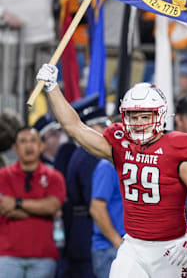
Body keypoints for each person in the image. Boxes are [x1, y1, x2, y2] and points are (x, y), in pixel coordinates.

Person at [35, 64, 187, 277]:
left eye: (145, 116)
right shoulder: (121, 146)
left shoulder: (177, 149)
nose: (138, 123)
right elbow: (75, 128)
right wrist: (53, 88)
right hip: (133, 245)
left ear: (160, 116)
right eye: (133, 116)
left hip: (171, 247)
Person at [0, 126, 66, 278]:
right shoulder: (3, 176)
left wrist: (17, 204)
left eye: (33, 141)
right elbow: (3, 207)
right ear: (15, 148)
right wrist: (38, 208)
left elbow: (52, 206)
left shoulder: (54, 177)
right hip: (7, 256)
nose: (29, 146)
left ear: (41, 146)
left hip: (44, 256)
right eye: (23, 142)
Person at [62, 106, 111, 278]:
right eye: (102, 126)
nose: (106, 130)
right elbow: (94, 199)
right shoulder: (90, 156)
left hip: (81, 229)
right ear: (89, 129)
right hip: (88, 231)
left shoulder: (80, 153)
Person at [89, 158, 125, 278]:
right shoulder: (107, 166)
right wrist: (119, 244)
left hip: (126, 247)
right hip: (110, 248)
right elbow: (97, 209)